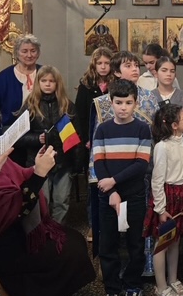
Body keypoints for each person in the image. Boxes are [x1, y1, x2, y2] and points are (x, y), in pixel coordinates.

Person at [0, 102, 95, 296]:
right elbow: (18, 210)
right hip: (1, 243)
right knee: (69, 253)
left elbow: (19, 176)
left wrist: (36, 167)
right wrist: (39, 174)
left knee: (74, 240)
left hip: (16, 228)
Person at [88, 51, 158, 273]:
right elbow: (98, 150)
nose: (135, 69)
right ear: (117, 72)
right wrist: (104, 183)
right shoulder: (102, 103)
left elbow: (155, 135)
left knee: (137, 228)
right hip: (109, 177)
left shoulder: (150, 97)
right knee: (111, 230)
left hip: (140, 172)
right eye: (128, 65)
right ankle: (112, 272)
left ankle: (140, 270)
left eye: (137, 65)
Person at [93, 79, 151, 296]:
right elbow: (99, 162)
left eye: (128, 103)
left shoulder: (142, 129)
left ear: (135, 103)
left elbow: (141, 164)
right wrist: (111, 192)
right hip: (108, 197)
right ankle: (112, 287)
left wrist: (114, 182)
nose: (123, 107)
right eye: (119, 102)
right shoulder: (102, 129)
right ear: (111, 103)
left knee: (135, 243)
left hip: (133, 194)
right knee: (108, 243)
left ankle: (132, 285)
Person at [15, 66, 84, 224]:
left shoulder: (67, 105)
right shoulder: (30, 105)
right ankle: (42, 232)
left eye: (51, 81)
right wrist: (36, 139)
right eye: (44, 80)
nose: (47, 84)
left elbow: (77, 137)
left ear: (57, 83)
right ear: (38, 83)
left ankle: (57, 231)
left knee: (62, 201)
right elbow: (17, 137)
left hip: (63, 162)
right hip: (38, 162)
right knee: (42, 201)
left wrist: (77, 164)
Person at [143, 104, 183, 296]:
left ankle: (173, 280)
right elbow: (157, 179)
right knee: (162, 243)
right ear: (174, 125)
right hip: (166, 196)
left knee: (175, 240)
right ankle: (161, 288)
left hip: (181, 195)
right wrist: (161, 209)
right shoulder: (162, 147)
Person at [75, 47, 114, 241]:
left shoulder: (116, 84)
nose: (103, 67)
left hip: (112, 140)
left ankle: (111, 224)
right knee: (93, 185)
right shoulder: (86, 85)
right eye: (100, 63)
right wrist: (86, 139)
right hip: (91, 142)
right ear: (94, 64)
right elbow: (80, 115)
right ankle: (93, 224)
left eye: (107, 63)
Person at [0, 33, 41, 132]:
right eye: (24, 51)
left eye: (33, 51)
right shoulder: (3, 78)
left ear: (38, 53)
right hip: (10, 130)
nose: (29, 55)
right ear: (17, 53)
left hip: (40, 131)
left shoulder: (45, 74)